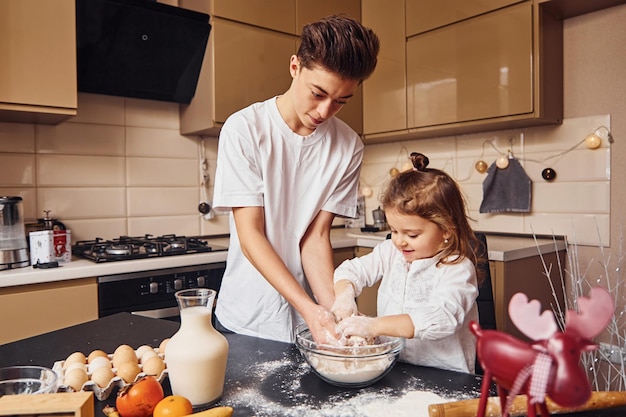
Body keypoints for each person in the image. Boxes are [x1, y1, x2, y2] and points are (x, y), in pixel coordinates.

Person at [212, 15, 380, 345]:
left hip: (306, 324)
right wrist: (308, 308)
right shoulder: (245, 129)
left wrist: (338, 314)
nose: (324, 111)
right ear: (295, 67)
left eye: (341, 101)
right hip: (247, 319)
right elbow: (251, 235)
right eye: (318, 93)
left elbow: (314, 239)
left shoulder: (348, 146)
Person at [331, 152, 484, 373]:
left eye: (412, 235)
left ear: (446, 231)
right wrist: (344, 297)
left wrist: (373, 326)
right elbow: (350, 270)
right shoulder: (391, 252)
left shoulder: (457, 269)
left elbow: (441, 318)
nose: (400, 241)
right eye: (394, 230)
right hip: (393, 368)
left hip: (445, 376)